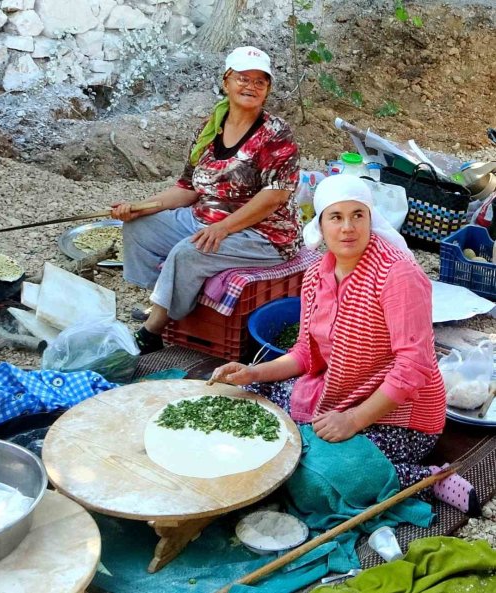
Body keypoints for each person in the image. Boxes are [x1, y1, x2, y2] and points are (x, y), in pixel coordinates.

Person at [210, 175, 480, 515]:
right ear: (321, 225)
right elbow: (306, 354)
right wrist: (251, 373)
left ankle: (425, 479)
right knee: (245, 408)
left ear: (371, 219)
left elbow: (414, 366)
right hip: (339, 391)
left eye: (358, 215)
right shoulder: (316, 276)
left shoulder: (397, 275)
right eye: (336, 217)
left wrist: (353, 420)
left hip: (400, 417)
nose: (348, 227)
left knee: (311, 479)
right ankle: (322, 439)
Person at [112, 46, 301, 354]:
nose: (250, 86)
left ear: (267, 90)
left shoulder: (275, 133)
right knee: (140, 228)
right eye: (242, 78)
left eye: (259, 82)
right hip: (207, 217)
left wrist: (224, 228)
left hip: (263, 233)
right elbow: (188, 187)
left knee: (188, 251)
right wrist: (140, 207)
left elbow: (275, 195)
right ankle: (165, 303)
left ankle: (153, 330)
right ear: (226, 82)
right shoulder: (210, 127)